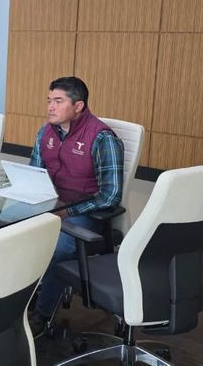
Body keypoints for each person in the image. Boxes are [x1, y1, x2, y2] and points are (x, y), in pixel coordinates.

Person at [28, 76, 124, 333]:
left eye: (58, 101)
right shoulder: (45, 131)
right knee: (4, 230)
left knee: (59, 248)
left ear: (78, 106)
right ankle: (16, 300)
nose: (50, 107)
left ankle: (42, 314)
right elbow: (34, 175)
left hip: (86, 214)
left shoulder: (102, 138)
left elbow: (111, 195)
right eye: (49, 100)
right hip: (51, 207)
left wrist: (68, 211)